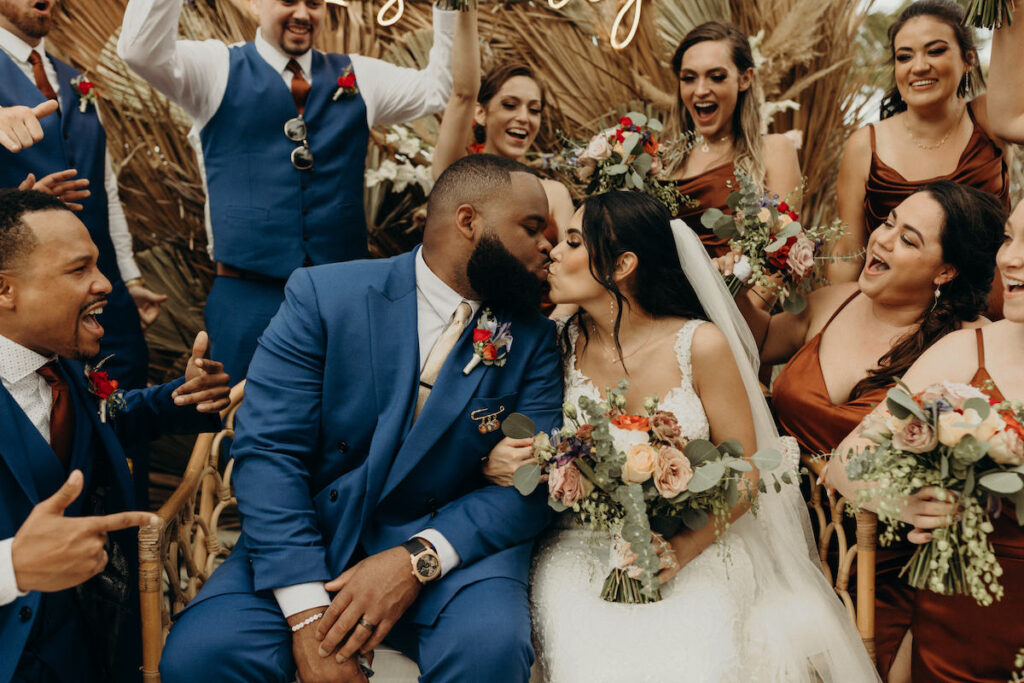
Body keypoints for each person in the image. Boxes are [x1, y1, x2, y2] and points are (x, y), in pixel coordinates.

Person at [156, 155, 562, 683]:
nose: (548, 246)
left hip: (451, 549)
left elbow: (533, 486)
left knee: (489, 650)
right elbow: (268, 453)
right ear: (468, 222)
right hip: (315, 539)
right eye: (532, 228)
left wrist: (418, 558)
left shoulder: (533, 339)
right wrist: (305, 614)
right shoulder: (323, 297)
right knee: (202, 656)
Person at [484, 191, 879, 681]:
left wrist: (681, 549)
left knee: (697, 655)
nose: (554, 253)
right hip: (578, 546)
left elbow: (750, 470)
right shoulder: (555, 341)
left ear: (623, 264)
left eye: (571, 242)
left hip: (698, 542)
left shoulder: (700, 344)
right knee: (584, 652)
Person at [118, 0, 469, 381]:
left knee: (342, 426)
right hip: (245, 296)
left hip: (342, 298)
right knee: (239, 422)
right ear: (255, 5)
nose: (303, 13)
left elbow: (440, 88)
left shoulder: (358, 74)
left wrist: (449, 7)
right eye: (288, 1)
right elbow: (139, 51)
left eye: (314, 4)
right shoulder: (216, 68)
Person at [738, 181, 1005, 680]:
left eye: (909, 239)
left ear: (945, 271)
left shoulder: (966, 349)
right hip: (772, 537)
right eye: (887, 223)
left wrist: (903, 499)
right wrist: (758, 272)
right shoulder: (831, 301)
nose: (881, 240)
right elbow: (753, 343)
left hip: (873, 571)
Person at [0, 189, 230, 682]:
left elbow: (110, 418)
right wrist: (11, 567)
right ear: (4, 291)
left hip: (99, 647)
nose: (104, 284)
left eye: (99, 266)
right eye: (78, 269)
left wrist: (181, 398)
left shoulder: (63, 367)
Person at [827, 198, 1024, 683]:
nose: (1011, 258)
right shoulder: (965, 352)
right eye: (1010, 238)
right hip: (959, 628)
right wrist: (907, 502)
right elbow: (845, 459)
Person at [831, 0, 1023, 285]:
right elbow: (849, 251)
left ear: (968, 59)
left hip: (990, 307)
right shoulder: (864, 144)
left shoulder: (989, 118)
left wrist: (1015, 10)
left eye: (936, 51)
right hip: (896, 311)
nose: (919, 67)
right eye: (904, 57)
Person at [431, 8, 573, 245]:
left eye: (534, 110)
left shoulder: (554, 194)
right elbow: (463, 92)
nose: (524, 117)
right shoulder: (456, 175)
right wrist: (466, 7)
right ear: (480, 113)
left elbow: (570, 266)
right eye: (510, 105)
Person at [663, 21, 802, 259]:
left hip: (740, 294)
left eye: (716, 77)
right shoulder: (660, 161)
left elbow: (783, 255)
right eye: (688, 78)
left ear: (745, 79)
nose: (700, 90)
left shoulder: (774, 150)